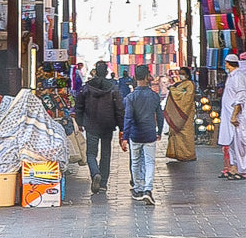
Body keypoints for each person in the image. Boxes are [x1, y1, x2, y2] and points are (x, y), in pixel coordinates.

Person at [74, 60, 124, 194]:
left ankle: (95, 173)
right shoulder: (113, 88)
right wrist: (122, 126)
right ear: (107, 72)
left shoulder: (87, 88)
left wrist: (79, 122)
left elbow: (79, 106)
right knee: (106, 153)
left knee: (91, 153)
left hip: (91, 124)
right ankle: (103, 184)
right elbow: (119, 108)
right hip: (108, 125)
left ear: (95, 71)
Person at [121, 65, 164, 205]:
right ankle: (148, 189)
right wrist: (160, 131)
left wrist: (125, 137)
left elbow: (127, 118)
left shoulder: (130, 97)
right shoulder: (154, 96)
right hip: (150, 133)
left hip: (135, 134)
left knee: (135, 161)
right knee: (150, 162)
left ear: (135, 78)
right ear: (147, 77)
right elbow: (160, 115)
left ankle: (138, 188)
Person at [217, 53, 246, 179]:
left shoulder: (238, 76)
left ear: (228, 63)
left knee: (240, 144)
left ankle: (242, 169)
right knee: (231, 143)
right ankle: (233, 167)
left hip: (236, 116)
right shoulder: (231, 76)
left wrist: (234, 115)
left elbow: (240, 97)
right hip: (228, 115)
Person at [164, 66, 197, 162]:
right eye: (180, 73)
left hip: (185, 112)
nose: (181, 75)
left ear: (187, 75)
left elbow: (187, 97)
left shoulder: (189, 84)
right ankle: (178, 154)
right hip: (178, 112)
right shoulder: (180, 84)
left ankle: (188, 154)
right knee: (176, 132)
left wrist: (173, 90)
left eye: (183, 73)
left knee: (186, 133)